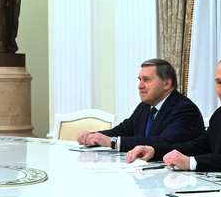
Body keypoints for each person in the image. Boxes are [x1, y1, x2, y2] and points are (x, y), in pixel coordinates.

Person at [75, 58, 204, 152]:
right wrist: (94, 136)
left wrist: (112, 142)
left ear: (166, 84)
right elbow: (124, 130)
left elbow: (164, 142)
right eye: (140, 80)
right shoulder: (145, 106)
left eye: (146, 80)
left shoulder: (185, 109)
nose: (140, 85)